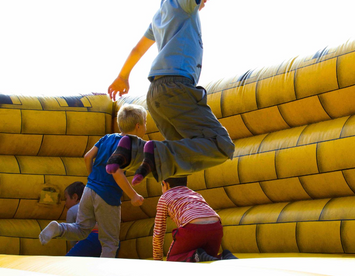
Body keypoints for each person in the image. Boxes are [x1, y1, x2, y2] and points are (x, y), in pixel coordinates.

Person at [106, 0, 255, 185]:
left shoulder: (161, 13)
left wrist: (123, 76)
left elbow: (138, 49)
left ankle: (134, 150)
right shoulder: (184, 0)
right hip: (177, 88)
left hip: (156, 94)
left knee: (178, 159)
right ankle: (154, 154)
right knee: (220, 145)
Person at [39, 104, 146, 258]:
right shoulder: (129, 145)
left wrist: (92, 178)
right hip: (107, 195)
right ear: (138, 126)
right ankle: (104, 275)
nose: (146, 127)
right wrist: (133, 195)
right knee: (110, 242)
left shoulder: (107, 138)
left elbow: (87, 157)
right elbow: (116, 172)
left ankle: (59, 228)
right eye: (145, 123)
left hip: (89, 190)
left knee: (81, 229)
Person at [152, 176, 237, 262]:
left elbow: (159, 231)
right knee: (208, 258)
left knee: (173, 261)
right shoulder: (195, 194)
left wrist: (157, 261)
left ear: (165, 184)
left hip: (192, 228)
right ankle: (224, 256)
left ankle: (195, 256)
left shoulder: (165, 197)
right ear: (186, 183)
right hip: (216, 227)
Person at [63, 181, 102, 257]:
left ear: (75, 197)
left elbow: (72, 236)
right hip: (108, 240)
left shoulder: (72, 210)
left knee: (67, 262)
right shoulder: (96, 206)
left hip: (91, 238)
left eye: (66, 199)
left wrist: (75, 248)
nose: (65, 203)